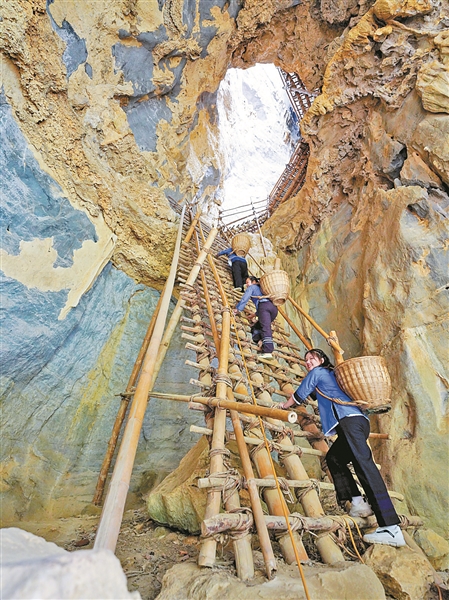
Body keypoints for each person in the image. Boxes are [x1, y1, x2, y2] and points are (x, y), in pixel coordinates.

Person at [278, 348, 405, 548]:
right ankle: (358, 503)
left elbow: (301, 393)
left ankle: (390, 526)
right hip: (358, 423)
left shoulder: (319, 373)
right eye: (306, 360)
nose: (308, 362)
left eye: (312, 358)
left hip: (350, 422)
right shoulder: (331, 377)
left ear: (321, 360)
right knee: (334, 459)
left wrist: (285, 406)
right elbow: (314, 395)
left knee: (365, 466)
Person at [234, 276, 278, 359]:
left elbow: (245, 298)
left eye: (248, 282)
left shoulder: (252, 287)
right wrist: (254, 315)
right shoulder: (263, 289)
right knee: (256, 327)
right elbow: (264, 306)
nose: (247, 285)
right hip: (273, 309)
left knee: (265, 328)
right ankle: (261, 341)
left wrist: (238, 309)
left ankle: (268, 351)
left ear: (253, 281)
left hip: (264, 308)